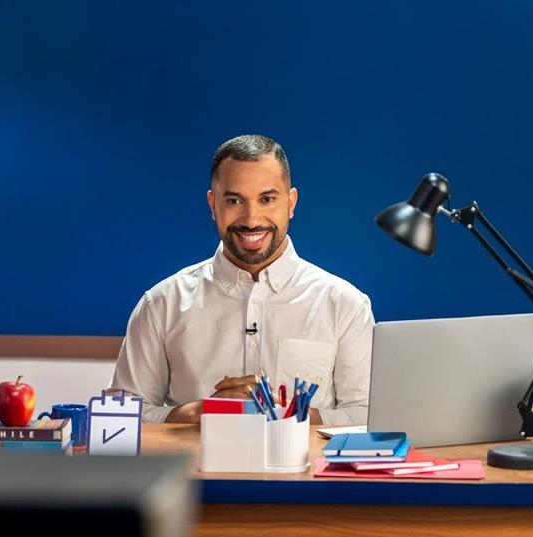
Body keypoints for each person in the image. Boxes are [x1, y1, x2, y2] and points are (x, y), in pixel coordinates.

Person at [110, 134, 374, 425]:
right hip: (192, 457)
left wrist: (291, 415)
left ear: (291, 203)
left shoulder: (345, 305)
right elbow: (119, 416)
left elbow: (368, 415)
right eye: (234, 200)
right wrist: (195, 413)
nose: (251, 219)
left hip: (302, 457)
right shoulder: (162, 304)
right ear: (213, 205)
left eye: (267, 199)